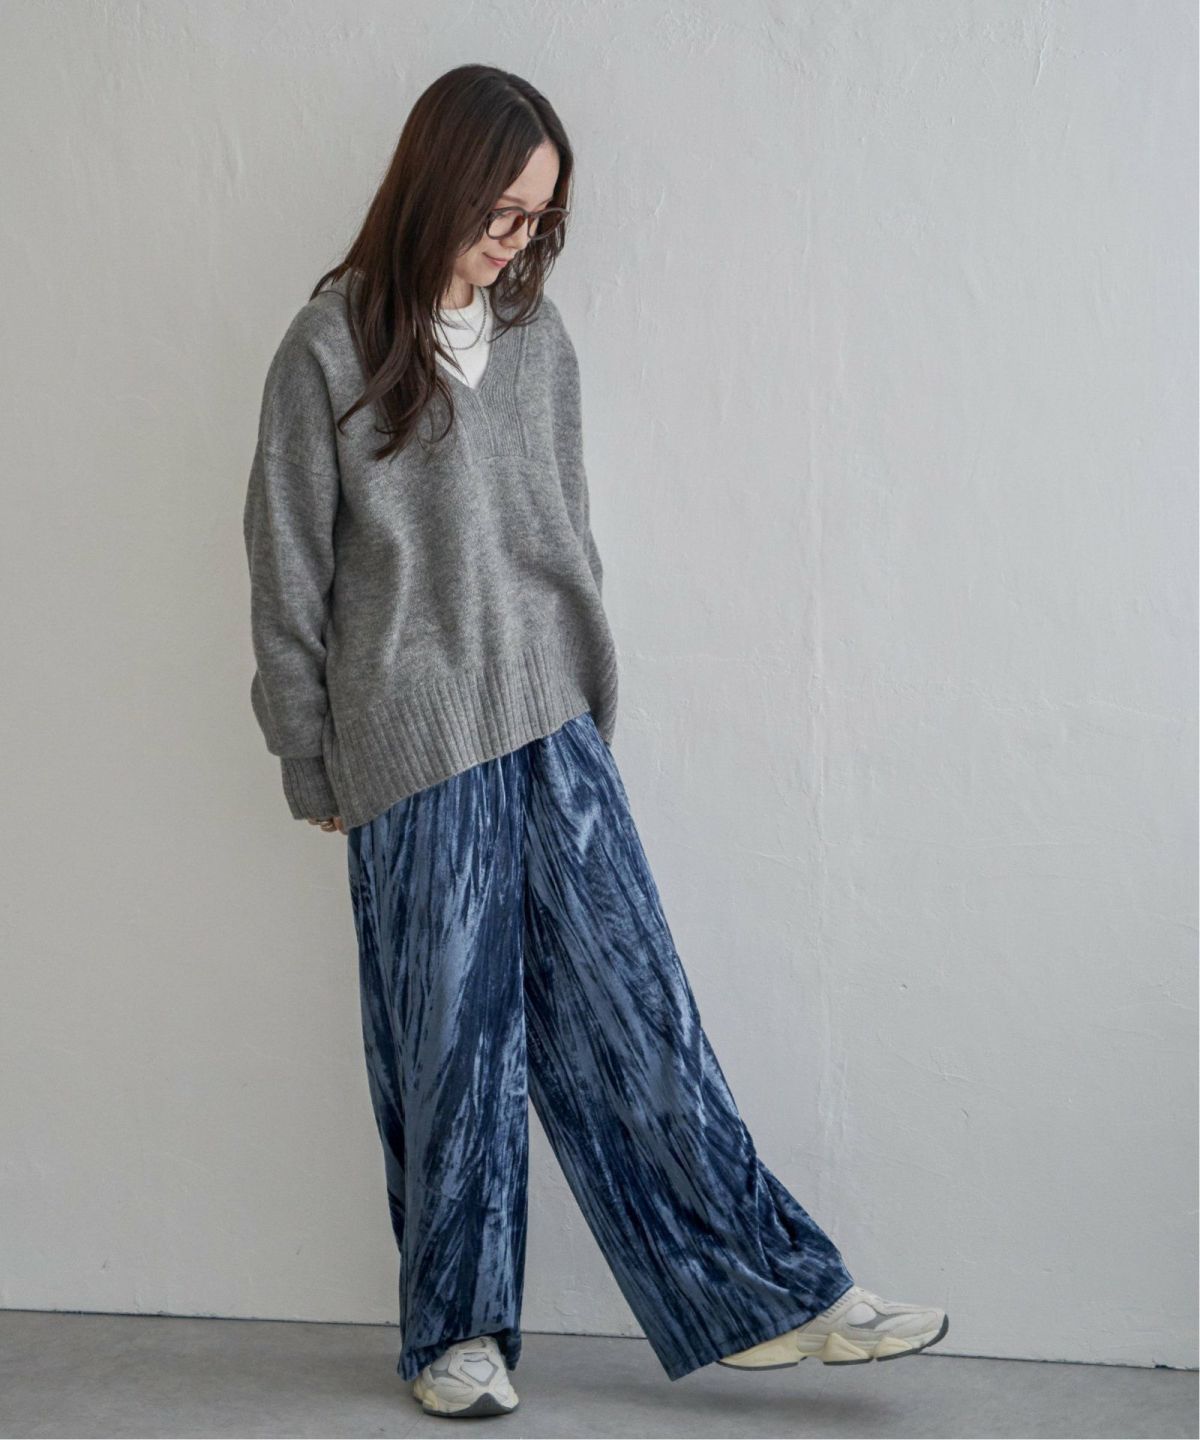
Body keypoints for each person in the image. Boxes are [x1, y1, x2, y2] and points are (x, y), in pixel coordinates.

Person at [242, 62, 948, 1421]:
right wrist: (308, 758)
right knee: (453, 1048)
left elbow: (565, 533)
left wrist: (587, 703)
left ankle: (772, 1294)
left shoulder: (538, 339)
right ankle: (457, 1337)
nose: (518, 241)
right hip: (410, 745)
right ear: (439, 184)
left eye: (538, 219)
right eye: (502, 212)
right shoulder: (328, 348)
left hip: (553, 722)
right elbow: (287, 572)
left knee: (639, 1013)